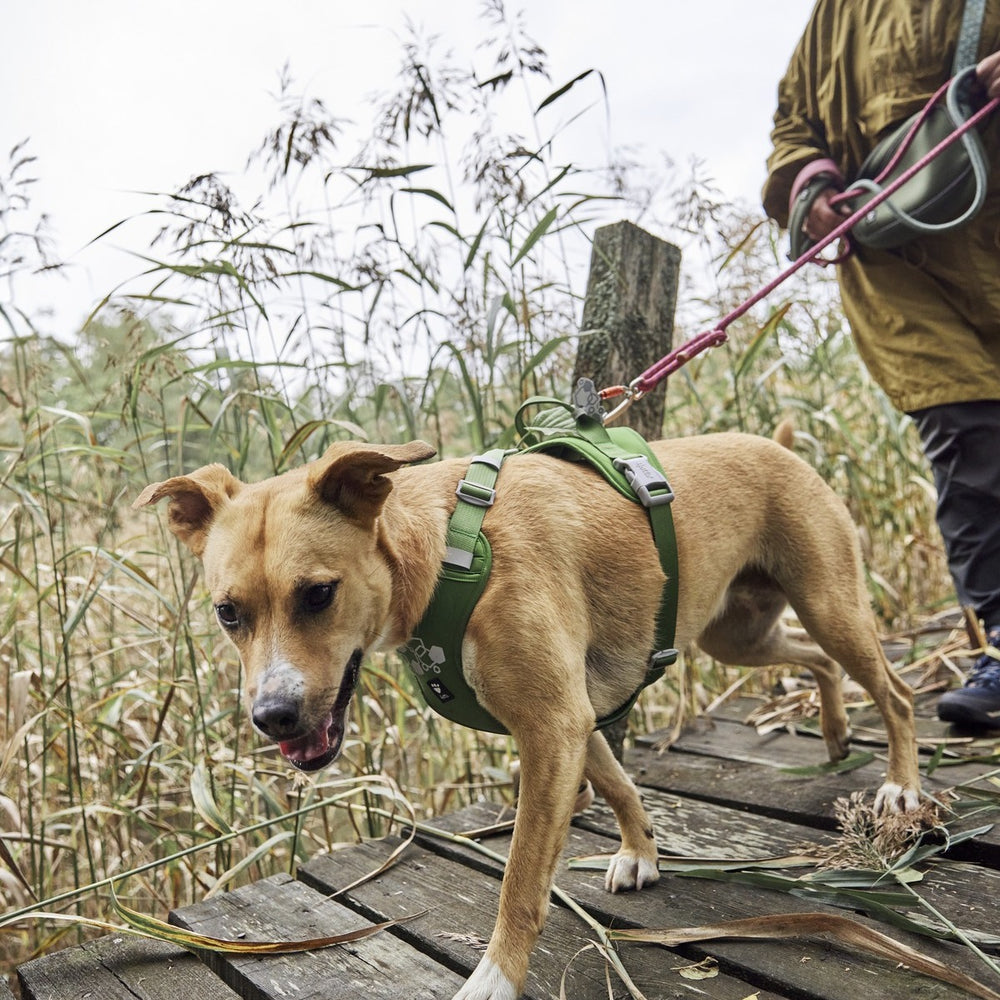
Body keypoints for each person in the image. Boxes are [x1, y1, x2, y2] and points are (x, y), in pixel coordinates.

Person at [762, 0, 1000, 728]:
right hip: (902, 278)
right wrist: (812, 190)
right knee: (972, 454)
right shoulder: (835, 16)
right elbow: (792, 129)